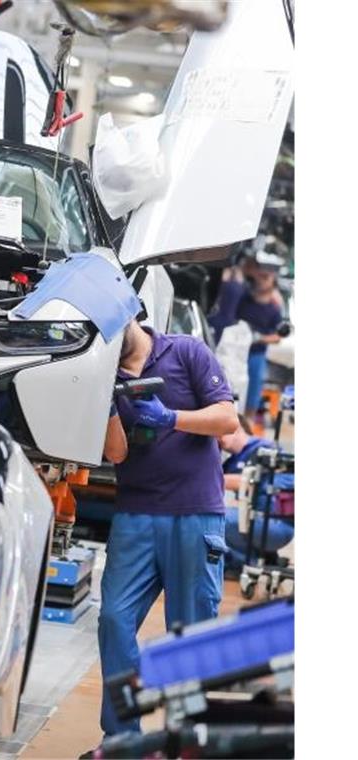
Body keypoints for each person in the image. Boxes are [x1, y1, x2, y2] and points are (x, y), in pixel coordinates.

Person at [97, 318, 239, 739]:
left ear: (127, 315)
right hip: (135, 515)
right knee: (113, 619)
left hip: (195, 512)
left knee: (189, 632)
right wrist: (106, 403)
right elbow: (117, 452)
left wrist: (171, 418)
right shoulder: (103, 372)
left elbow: (227, 419)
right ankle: (123, 737)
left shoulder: (186, 351)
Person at [208, 253, 284, 420]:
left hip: (256, 353)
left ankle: (247, 423)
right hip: (235, 351)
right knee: (228, 383)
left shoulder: (274, 308)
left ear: (273, 283)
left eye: (267, 278)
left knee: (252, 390)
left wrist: (260, 338)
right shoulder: (245, 297)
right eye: (261, 276)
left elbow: (278, 336)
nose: (262, 281)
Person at [219, 415, 294, 569]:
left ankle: (250, 563)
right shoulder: (231, 462)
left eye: (219, 431)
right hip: (256, 521)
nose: (217, 438)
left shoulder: (265, 448)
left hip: (276, 524)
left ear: (236, 427)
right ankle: (261, 558)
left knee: (218, 518)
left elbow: (246, 481)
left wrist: (208, 478)